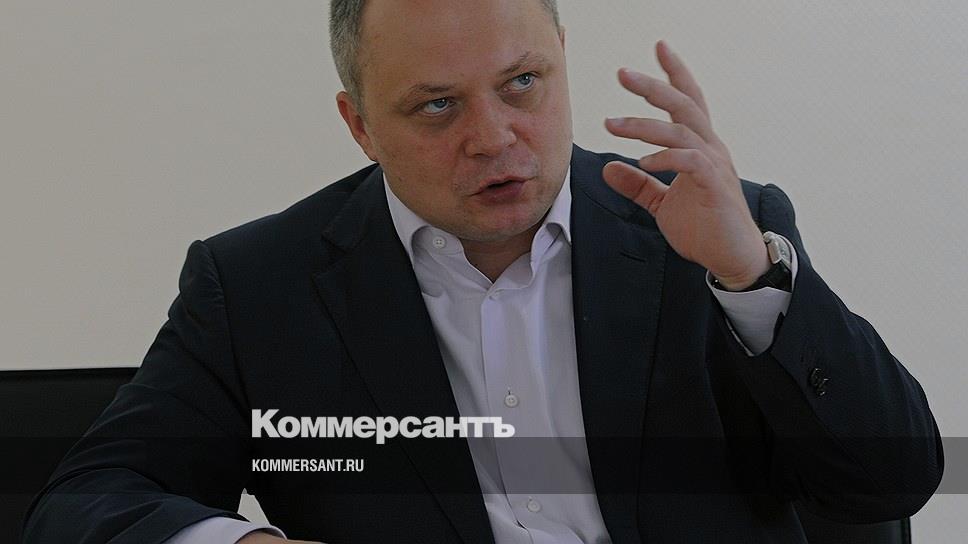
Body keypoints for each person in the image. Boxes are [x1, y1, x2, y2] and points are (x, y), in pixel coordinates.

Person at [23, 0, 943, 543]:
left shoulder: (716, 232)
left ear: (563, 61)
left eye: (522, 84)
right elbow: (84, 503)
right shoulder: (258, 285)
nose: (494, 137)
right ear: (358, 124)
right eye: (436, 106)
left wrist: (750, 278)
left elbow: (889, 484)